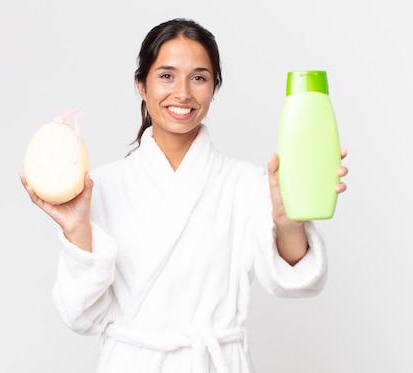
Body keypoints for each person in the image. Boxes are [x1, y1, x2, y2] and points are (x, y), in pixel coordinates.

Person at [21, 18, 348, 373]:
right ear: (141, 86)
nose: (183, 93)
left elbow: (296, 283)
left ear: (214, 88)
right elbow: (80, 316)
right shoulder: (101, 186)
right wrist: (76, 230)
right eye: (166, 75)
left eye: (199, 77)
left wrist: (288, 222)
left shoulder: (243, 183)